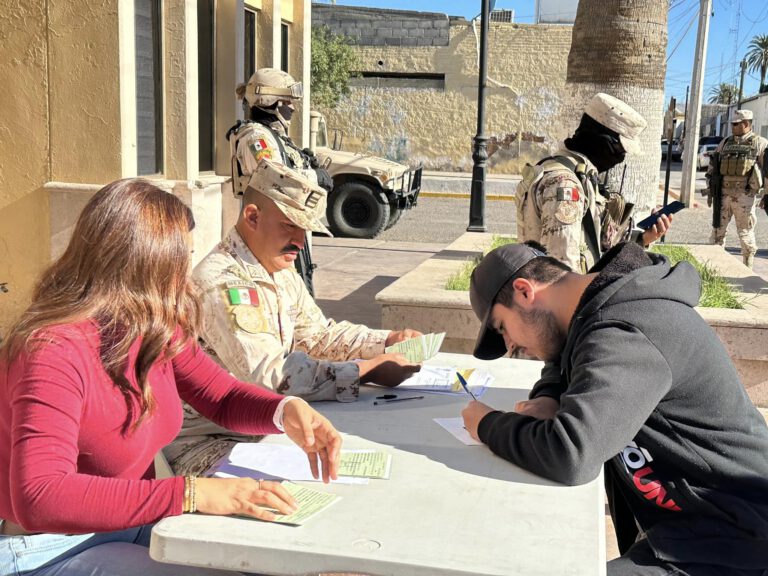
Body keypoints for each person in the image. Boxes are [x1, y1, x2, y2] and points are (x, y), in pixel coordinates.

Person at [0, 179, 342, 576]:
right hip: (43, 548)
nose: (186, 281)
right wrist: (192, 492)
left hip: (127, 525)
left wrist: (285, 410)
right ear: (145, 268)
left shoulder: (151, 328)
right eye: (179, 264)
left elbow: (221, 396)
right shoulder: (52, 350)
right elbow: (41, 496)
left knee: (264, 557)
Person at [461, 241, 768, 575]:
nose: (510, 347)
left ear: (523, 292)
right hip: (690, 528)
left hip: (737, 537)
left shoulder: (626, 328)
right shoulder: (598, 309)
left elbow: (571, 454)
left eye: (502, 328)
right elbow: (565, 357)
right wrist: (549, 396)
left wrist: (487, 424)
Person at [167, 159, 421, 476]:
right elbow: (273, 378)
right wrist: (365, 372)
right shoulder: (223, 285)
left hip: (261, 432)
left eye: (305, 229)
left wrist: (385, 341)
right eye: (290, 225)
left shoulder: (277, 268)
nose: (300, 241)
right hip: (207, 444)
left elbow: (316, 335)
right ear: (252, 217)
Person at [516, 93, 672, 273]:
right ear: (603, 141)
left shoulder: (579, 176)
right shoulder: (565, 185)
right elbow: (561, 268)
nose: (621, 158)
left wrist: (644, 238)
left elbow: (593, 242)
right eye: (620, 149)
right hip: (561, 296)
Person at [229, 67, 332, 295]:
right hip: (269, 230)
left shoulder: (271, 136)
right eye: (287, 101)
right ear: (271, 102)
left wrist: (305, 164)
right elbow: (274, 175)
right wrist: (315, 176)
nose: (292, 108)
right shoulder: (256, 137)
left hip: (286, 224)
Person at [706, 109, 767, 269]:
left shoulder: (760, 143)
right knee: (717, 233)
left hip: (745, 197)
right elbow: (714, 165)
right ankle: (714, 269)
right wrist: (710, 186)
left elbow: (766, 172)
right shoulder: (725, 142)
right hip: (723, 196)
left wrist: (766, 195)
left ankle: (747, 269)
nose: (732, 127)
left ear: (746, 124)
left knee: (746, 235)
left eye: (735, 124)